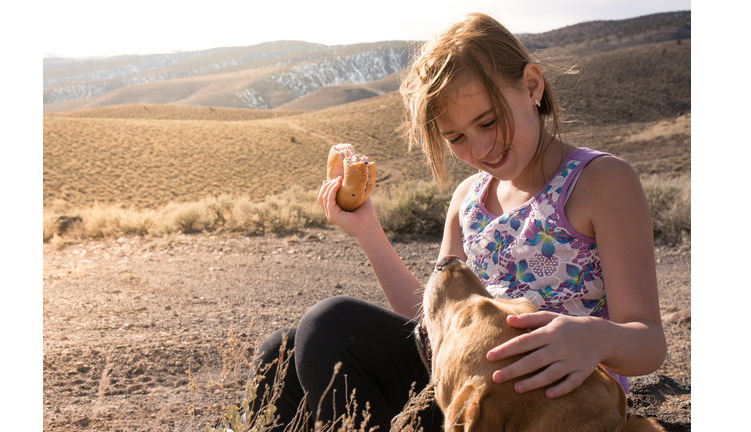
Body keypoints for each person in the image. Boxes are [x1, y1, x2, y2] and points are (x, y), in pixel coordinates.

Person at [249, 11, 666, 432]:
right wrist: (366, 228)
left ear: (532, 86)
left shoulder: (600, 181)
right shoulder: (468, 199)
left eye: (488, 121)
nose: (482, 147)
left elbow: (648, 341)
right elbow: (435, 320)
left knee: (330, 323)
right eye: (457, 138)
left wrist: (593, 338)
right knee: (278, 354)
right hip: (460, 380)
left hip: (547, 402)